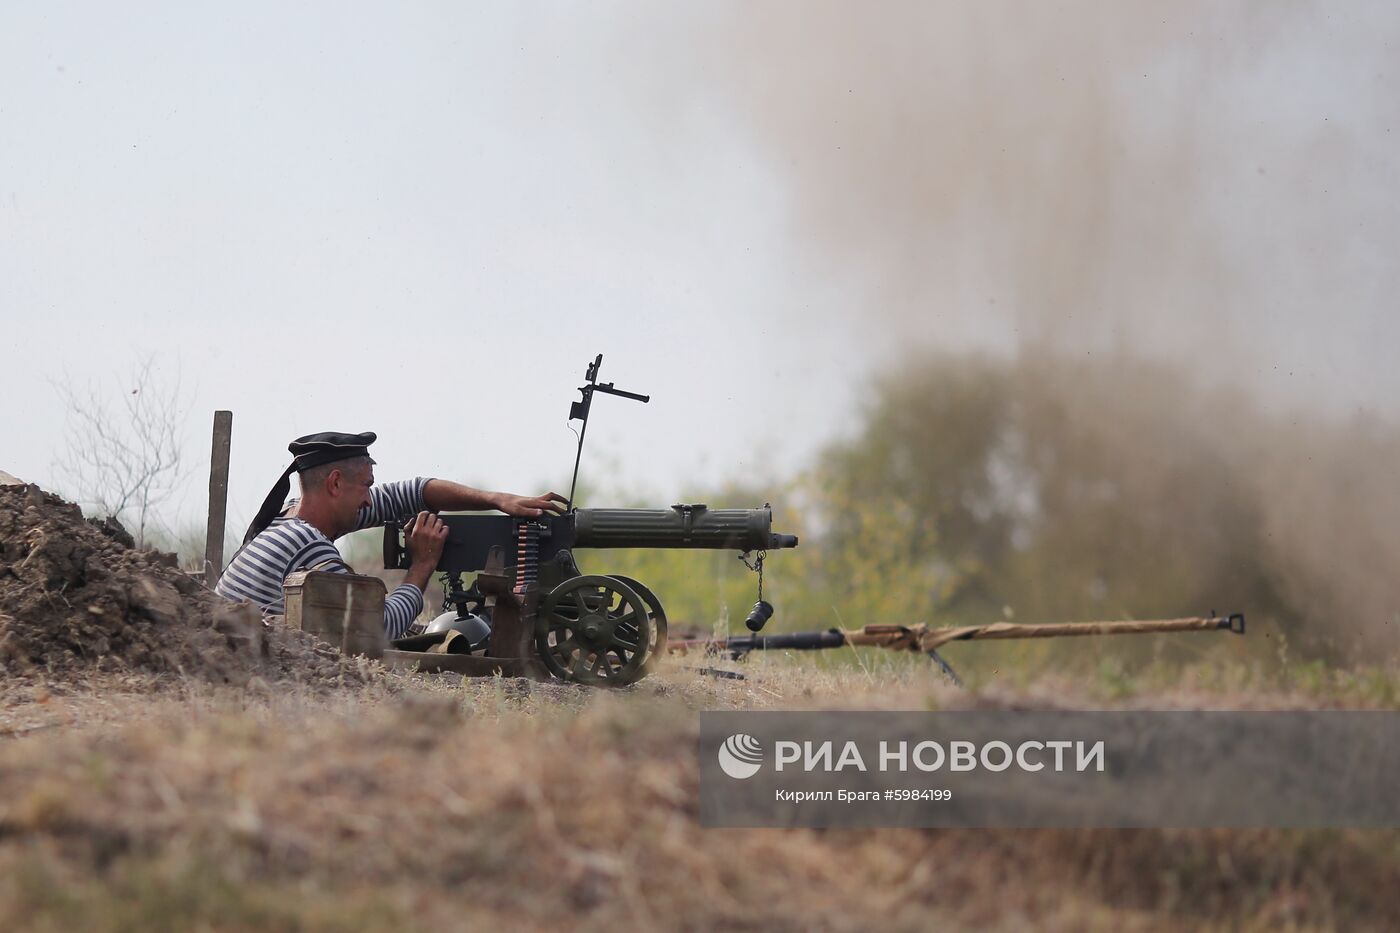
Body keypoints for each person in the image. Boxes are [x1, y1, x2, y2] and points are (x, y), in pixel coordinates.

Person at [214, 431, 563, 639]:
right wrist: (422, 566)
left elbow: (410, 493)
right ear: (335, 484)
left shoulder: (289, 515)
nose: (369, 500)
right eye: (366, 486)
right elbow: (376, 629)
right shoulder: (309, 547)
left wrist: (496, 500)